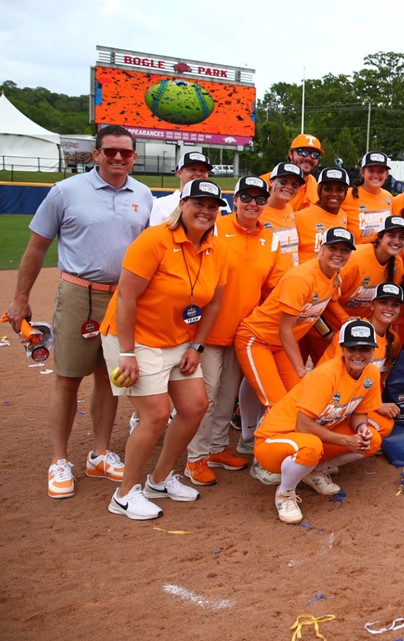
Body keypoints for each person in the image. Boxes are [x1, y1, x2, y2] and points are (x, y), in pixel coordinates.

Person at [6, 124, 152, 499]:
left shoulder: (144, 193)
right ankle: (59, 459)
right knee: (68, 377)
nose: (118, 157)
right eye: (110, 151)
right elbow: (37, 248)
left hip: (123, 297)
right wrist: (20, 299)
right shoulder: (66, 191)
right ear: (96, 154)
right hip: (79, 293)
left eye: (125, 152)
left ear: (134, 156)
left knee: (110, 376)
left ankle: (100, 454)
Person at [101, 179, 229, 520]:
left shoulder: (216, 248)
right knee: (156, 414)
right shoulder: (154, 239)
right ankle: (125, 494)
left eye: (212, 206)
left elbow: (213, 305)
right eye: (198, 203)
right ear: (182, 206)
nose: (205, 211)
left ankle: (159, 480)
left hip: (179, 340)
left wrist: (197, 346)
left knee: (195, 406)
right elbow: (127, 297)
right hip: (135, 339)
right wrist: (126, 353)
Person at [185, 176, 292, 485]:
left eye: (259, 199)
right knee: (205, 396)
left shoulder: (270, 239)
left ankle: (217, 448)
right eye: (246, 197)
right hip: (207, 332)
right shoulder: (215, 229)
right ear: (235, 199)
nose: (253, 204)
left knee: (227, 395)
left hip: (242, 333)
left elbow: (277, 285)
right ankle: (195, 457)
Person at [254, 319, 386, 524]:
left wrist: (361, 429)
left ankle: (313, 470)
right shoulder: (325, 375)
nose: (358, 355)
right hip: (274, 440)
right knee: (311, 447)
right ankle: (285, 493)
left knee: (372, 440)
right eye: (352, 348)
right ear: (342, 349)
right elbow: (303, 425)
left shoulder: (371, 373)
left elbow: (360, 412)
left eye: (365, 348)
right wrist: (345, 441)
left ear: (373, 351)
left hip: (310, 434)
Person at [234, 227, 354, 420]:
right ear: (321, 248)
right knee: (277, 404)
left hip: (280, 346)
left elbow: (315, 311)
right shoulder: (302, 278)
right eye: (333, 248)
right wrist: (300, 368)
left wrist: (330, 333)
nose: (338, 254)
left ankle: (261, 441)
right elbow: (285, 329)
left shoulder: (333, 275)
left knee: (298, 400)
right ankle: (262, 446)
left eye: (345, 250)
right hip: (257, 340)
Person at [324, 215, 404, 340]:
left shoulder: (397, 265)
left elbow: (392, 301)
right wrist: (344, 319)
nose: (397, 241)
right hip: (332, 325)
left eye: (402, 237)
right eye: (391, 235)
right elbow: (329, 297)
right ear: (380, 237)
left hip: (361, 329)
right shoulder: (355, 260)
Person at [295, 167, 351, 264]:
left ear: (345, 193)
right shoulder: (300, 217)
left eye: (339, 190)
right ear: (319, 192)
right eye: (328, 189)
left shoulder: (343, 215)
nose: (334, 194)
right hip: (307, 276)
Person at [341, 151, 394, 244]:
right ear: (362, 172)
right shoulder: (347, 195)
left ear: (386, 174)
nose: (376, 175)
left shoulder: (389, 197)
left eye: (381, 171)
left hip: (380, 256)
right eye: (371, 170)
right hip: (356, 255)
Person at [260, 134, 322, 212]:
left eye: (314, 155)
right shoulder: (265, 181)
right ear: (290, 154)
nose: (308, 158)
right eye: (302, 152)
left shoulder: (317, 187)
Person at [148, 151, 211, 227]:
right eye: (192, 169)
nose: (198, 173)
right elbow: (153, 236)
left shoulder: (213, 208)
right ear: (179, 172)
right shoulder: (160, 204)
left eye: (203, 170)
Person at [260, 162, 305, 266]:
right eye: (283, 182)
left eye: (295, 185)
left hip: (290, 278)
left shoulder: (289, 208)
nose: (289, 187)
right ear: (271, 182)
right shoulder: (258, 211)